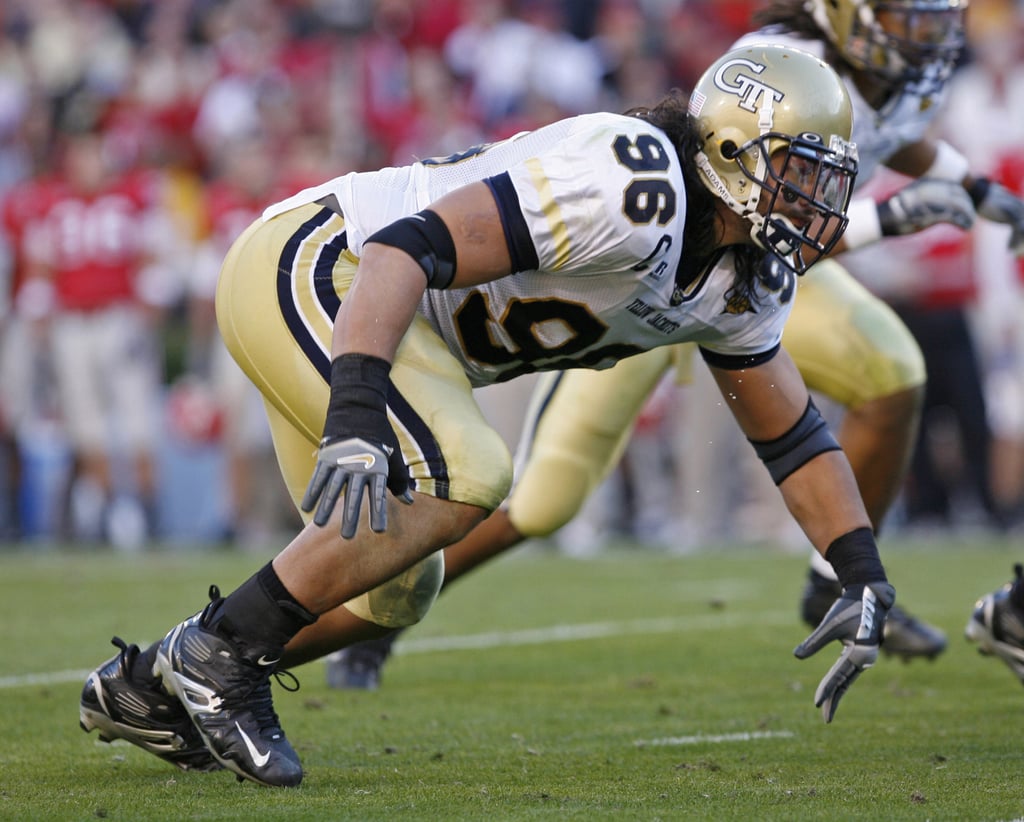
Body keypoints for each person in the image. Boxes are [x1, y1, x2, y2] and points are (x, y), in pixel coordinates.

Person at [80, 44, 887, 787]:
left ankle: (154, 684)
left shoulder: (744, 278)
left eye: (824, 178)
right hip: (325, 262)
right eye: (798, 171)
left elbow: (791, 436)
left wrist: (856, 570)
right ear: (731, 152)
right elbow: (402, 248)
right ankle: (219, 654)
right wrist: (357, 409)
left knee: (393, 591)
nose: (814, 200)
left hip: (393, 330)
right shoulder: (636, 187)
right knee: (467, 473)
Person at [327, 0, 1024, 689]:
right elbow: (748, 197)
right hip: (674, 268)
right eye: (907, 15)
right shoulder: (778, 70)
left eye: (933, 16)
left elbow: (890, 134)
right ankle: (373, 623)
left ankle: (838, 580)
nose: (927, 33)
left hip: (762, 281)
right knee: (542, 500)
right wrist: (882, 218)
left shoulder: (887, 83)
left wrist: (971, 184)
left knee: (894, 375)